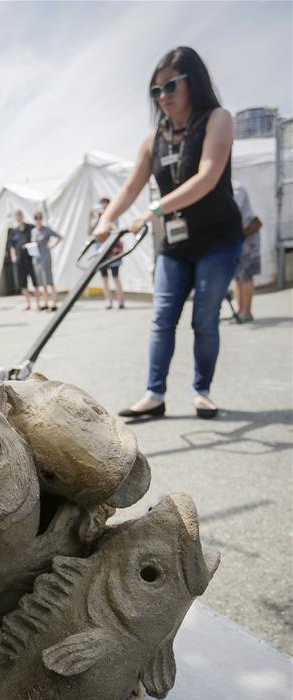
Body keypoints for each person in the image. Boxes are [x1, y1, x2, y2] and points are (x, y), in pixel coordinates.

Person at [93, 46, 242, 420]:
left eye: (171, 86)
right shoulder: (153, 139)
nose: (163, 96)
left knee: (204, 318)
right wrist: (107, 219)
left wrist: (153, 210)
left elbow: (207, 177)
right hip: (174, 244)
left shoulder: (217, 119)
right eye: (156, 90)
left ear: (194, 82)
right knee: (162, 317)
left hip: (217, 240)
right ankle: (154, 394)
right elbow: (131, 186)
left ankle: (202, 392)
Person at [88, 198, 126, 309]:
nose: (103, 209)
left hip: (112, 251)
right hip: (101, 252)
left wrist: (106, 220)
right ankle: (109, 301)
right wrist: (91, 218)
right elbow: (90, 233)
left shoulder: (113, 218)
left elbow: (114, 230)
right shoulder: (96, 220)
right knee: (104, 278)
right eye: (102, 207)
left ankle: (121, 301)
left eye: (105, 206)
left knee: (115, 276)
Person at [232, 182, 261, 323]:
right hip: (237, 237)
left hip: (248, 235)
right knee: (237, 276)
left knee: (246, 275)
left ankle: (247, 313)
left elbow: (234, 209)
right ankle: (239, 310)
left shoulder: (236, 187)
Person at [31, 212, 63, 311]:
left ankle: (54, 302)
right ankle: (45, 303)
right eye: (36, 218)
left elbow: (60, 237)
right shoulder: (33, 231)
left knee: (49, 280)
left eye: (39, 218)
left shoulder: (46, 229)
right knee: (42, 282)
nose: (38, 220)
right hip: (37, 258)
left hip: (45, 257)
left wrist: (52, 246)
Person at [9, 210, 38, 310]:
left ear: (23, 216)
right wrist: (13, 256)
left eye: (20, 215)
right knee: (23, 283)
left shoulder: (30, 227)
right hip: (20, 260)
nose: (19, 218)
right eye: (17, 216)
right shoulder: (14, 231)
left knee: (35, 281)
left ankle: (38, 303)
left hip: (31, 258)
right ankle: (28, 303)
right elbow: (12, 246)